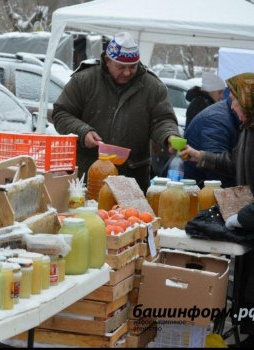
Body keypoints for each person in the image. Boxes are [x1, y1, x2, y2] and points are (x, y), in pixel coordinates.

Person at [52, 32, 181, 193]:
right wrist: (82, 131)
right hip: (88, 173)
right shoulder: (84, 80)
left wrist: (169, 136)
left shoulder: (152, 87)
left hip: (132, 177)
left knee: (130, 217)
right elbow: (61, 113)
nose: (127, 73)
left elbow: (162, 120)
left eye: (132, 66)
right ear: (107, 60)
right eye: (121, 67)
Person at [180, 72, 254, 347]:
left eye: (236, 101)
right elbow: (234, 162)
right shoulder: (248, 127)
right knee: (246, 289)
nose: (231, 107)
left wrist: (242, 217)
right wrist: (202, 157)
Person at [183, 94, 241, 188]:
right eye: (232, 99)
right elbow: (217, 175)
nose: (232, 106)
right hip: (201, 191)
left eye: (235, 100)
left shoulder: (240, 117)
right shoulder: (217, 120)